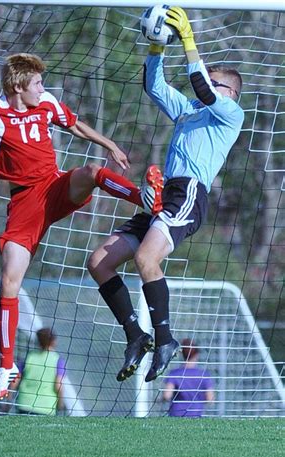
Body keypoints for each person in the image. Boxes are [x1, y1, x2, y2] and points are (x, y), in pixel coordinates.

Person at [0, 53, 163, 401]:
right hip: (24, 205)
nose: (43, 88)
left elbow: (75, 125)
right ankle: (6, 367)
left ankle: (144, 199)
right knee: (9, 280)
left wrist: (109, 144)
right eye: (38, 83)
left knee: (90, 173)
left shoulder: (48, 104)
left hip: (54, 187)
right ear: (20, 87)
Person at [88, 7, 244, 383]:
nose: (205, 82)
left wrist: (189, 40)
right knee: (99, 262)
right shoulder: (189, 110)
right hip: (164, 195)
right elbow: (153, 86)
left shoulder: (229, 114)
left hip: (189, 193)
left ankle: (165, 339)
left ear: (230, 93)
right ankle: (136, 335)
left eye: (213, 81)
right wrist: (158, 46)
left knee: (146, 258)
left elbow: (203, 88)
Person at [13, 328, 65, 416]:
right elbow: (58, 385)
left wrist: (8, 400)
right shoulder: (58, 360)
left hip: (24, 404)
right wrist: (60, 403)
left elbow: (15, 380)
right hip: (46, 407)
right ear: (53, 341)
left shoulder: (29, 357)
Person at [163, 338, 215, 417]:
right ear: (197, 355)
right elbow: (210, 398)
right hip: (195, 414)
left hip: (176, 414)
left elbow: (167, 395)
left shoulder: (175, 374)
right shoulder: (204, 375)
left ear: (182, 354)